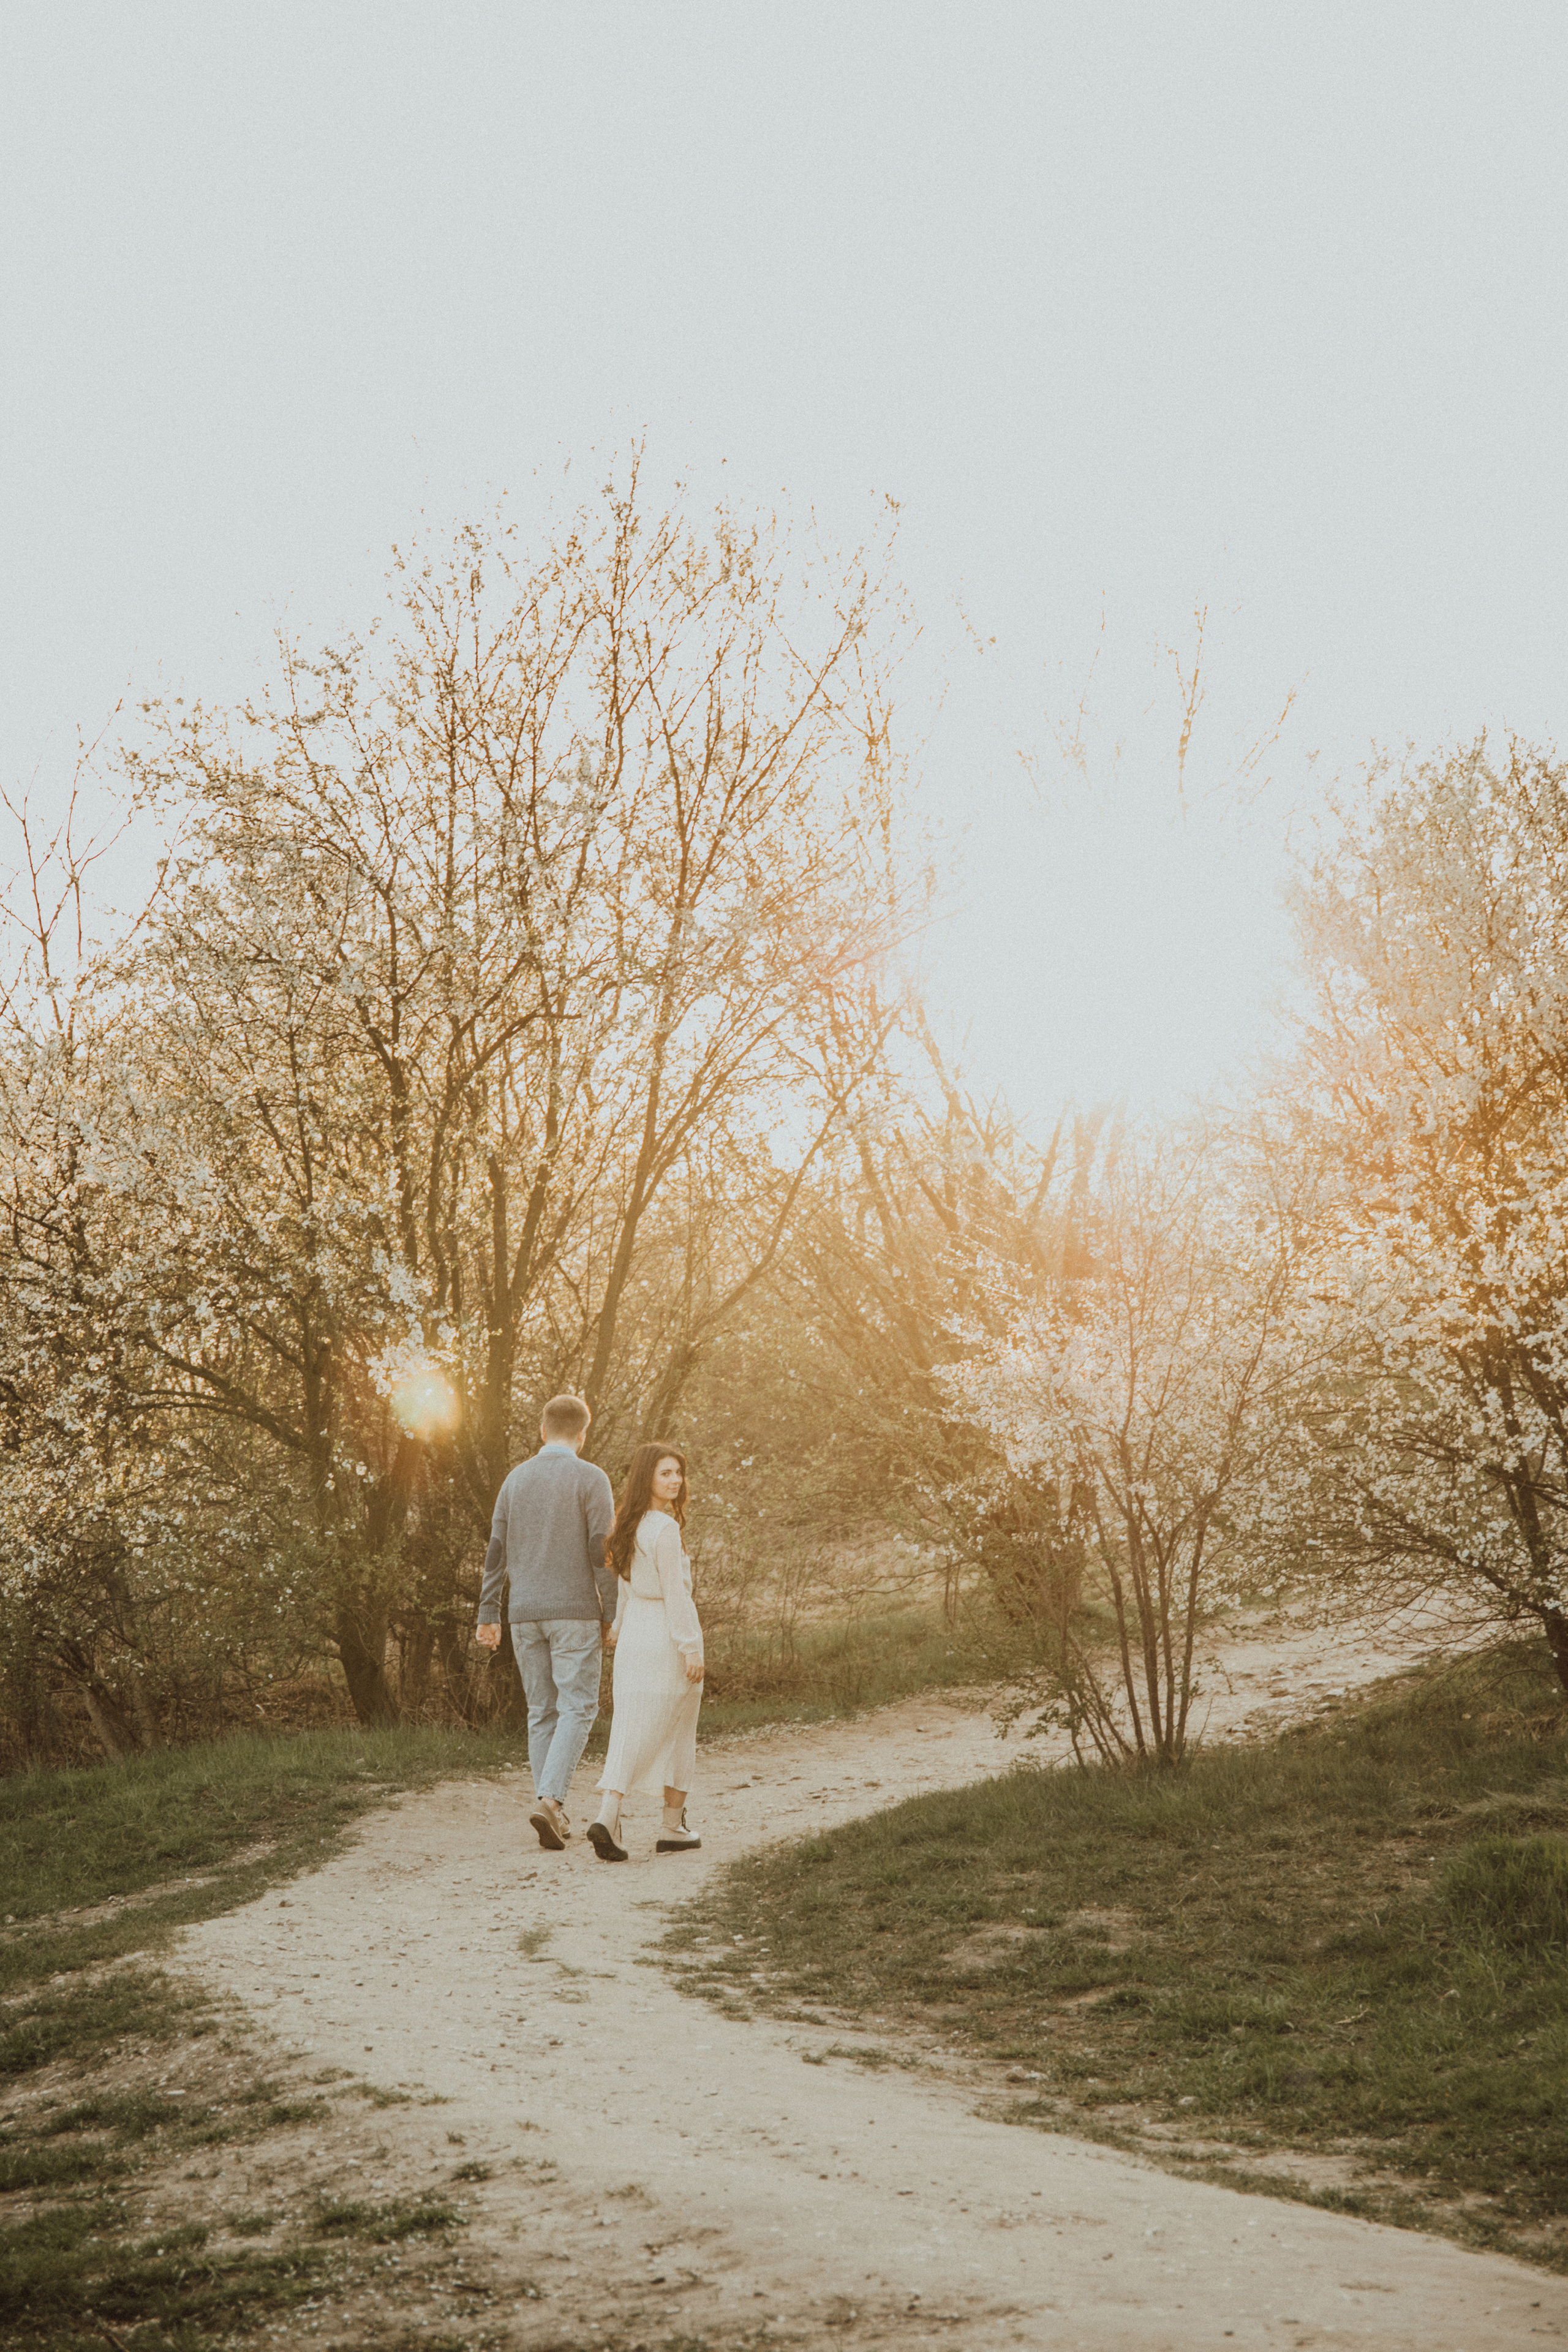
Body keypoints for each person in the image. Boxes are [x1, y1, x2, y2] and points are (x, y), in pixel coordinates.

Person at [475, 1393, 616, 1852]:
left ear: (542, 1431)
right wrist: (613, 1612)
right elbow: (601, 1552)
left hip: (524, 1616)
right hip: (574, 1612)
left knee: (542, 1711)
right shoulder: (591, 1478)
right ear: (583, 1433)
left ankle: (549, 1807)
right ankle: (551, 1802)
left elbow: (496, 1550)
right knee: (578, 1708)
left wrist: (488, 1612)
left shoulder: (515, 1480)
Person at [587, 1442, 704, 1863]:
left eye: (678, 1473)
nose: (675, 1481)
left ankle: (612, 1814)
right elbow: (676, 1594)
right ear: (647, 1479)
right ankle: (670, 1827)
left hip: (635, 1634)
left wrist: (617, 1626)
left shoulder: (627, 1525)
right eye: (665, 1474)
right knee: (675, 1727)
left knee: (633, 1726)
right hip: (664, 1635)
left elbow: (623, 1584)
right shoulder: (666, 1530)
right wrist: (690, 1647)